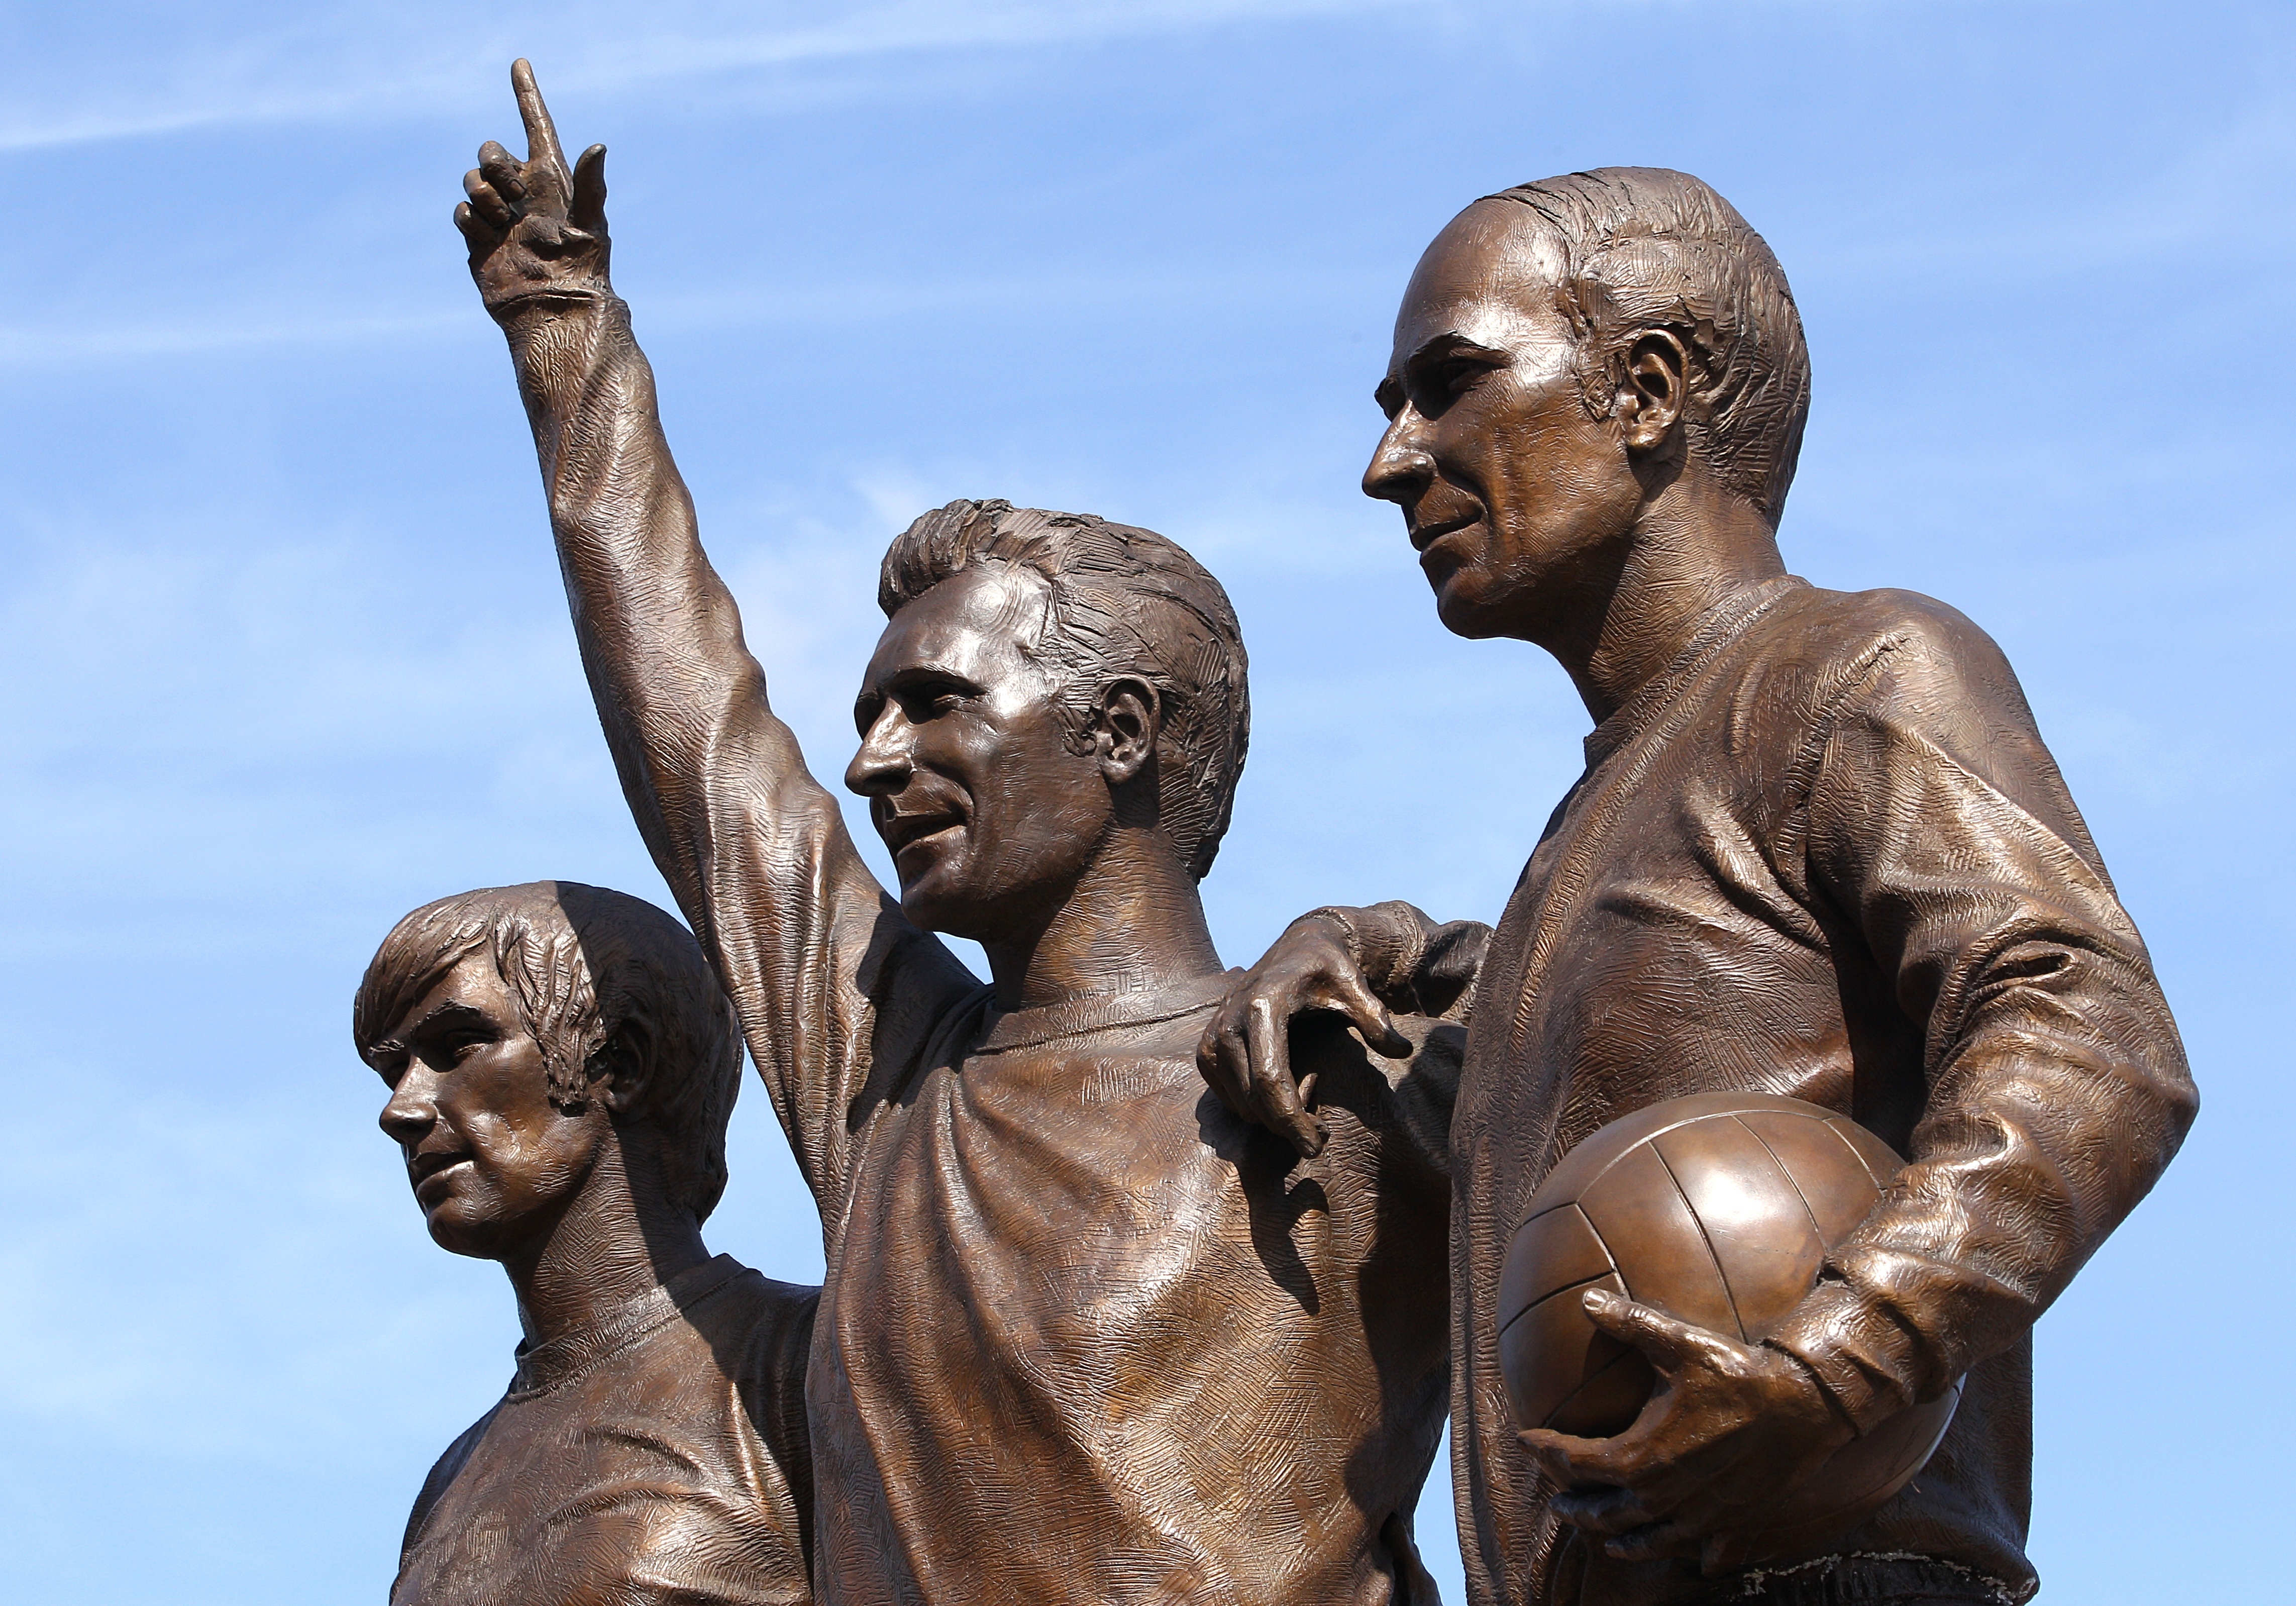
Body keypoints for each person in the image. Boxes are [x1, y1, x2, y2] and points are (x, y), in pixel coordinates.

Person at [452, 62, 1459, 1606]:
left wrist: (1411, 948)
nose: (871, 761)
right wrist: (566, 339)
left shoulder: (1341, 1057)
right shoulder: (888, 1081)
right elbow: (698, 739)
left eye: (933, 705)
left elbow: (1654, 1031)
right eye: (869, 714)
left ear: (1118, 735)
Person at [1198, 169, 2197, 1606]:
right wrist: (1372, 948)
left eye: (1449, 383)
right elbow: (1647, 1009)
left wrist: (1843, 1352)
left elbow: (2090, 1030)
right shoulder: (1589, 826)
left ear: (1650, 389)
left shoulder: (1863, 666)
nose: (1390, 460)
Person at [355, 880, 818, 1606]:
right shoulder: (454, 1482)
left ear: (622, 1063)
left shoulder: (807, 1368)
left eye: (456, 1046)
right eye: (393, 1071)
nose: (401, 1109)